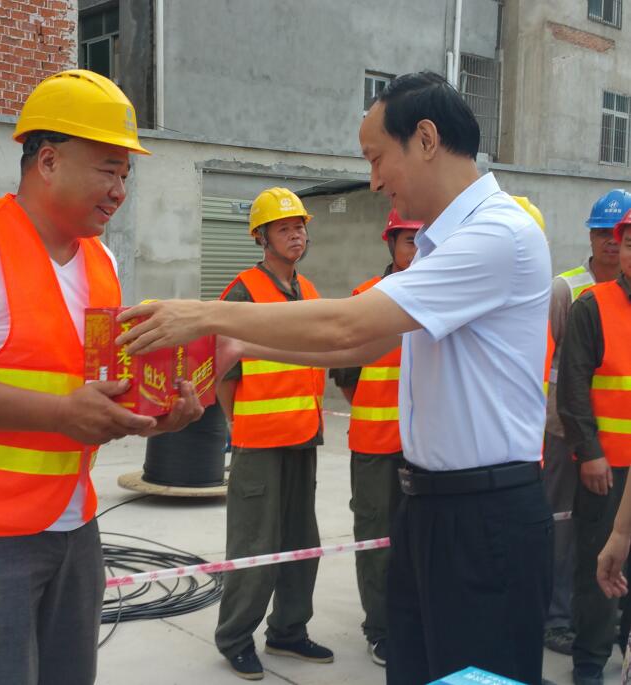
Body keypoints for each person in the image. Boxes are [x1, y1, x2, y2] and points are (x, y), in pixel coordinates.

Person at [116, 71, 553, 684]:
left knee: (475, 677)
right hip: (430, 506)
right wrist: (243, 343)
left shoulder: (496, 235)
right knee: (418, 669)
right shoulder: (445, 244)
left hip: (484, 517)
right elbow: (368, 343)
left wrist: (202, 315)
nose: (373, 180)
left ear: (426, 140)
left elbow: (349, 326)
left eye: (376, 158)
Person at [0, 69, 203, 685]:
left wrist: (154, 417)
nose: (119, 191)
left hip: (73, 522)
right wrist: (62, 414)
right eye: (108, 170)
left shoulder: (101, 261)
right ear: (49, 160)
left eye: (126, 175)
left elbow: (91, 390)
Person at [213, 187, 333, 681]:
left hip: (303, 437)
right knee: (254, 547)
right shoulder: (242, 292)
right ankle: (235, 639)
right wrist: (237, 425)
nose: (296, 235)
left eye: (299, 227)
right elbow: (223, 373)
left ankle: (288, 630)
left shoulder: (310, 292)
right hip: (258, 441)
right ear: (261, 237)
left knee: (303, 543)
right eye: (284, 228)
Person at [328, 209, 421, 667]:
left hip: (425, 449)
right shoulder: (367, 298)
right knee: (376, 538)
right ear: (391, 243)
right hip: (375, 447)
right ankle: (380, 628)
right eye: (409, 241)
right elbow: (346, 376)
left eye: (424, 240)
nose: (417, 250)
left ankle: (412, 620)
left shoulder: (440, 297)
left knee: (419, 539)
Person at [544, 188, 631, 656]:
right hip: (567, 434)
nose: (611, 244)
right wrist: (578, 438)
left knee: (609, 534)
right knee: (564, 527)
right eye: (603, 234)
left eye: (618, 236)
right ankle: (558, 618)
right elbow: (560, 369)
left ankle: (605, 620)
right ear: (592, 237)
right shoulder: (568, 289)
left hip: (616, 443)